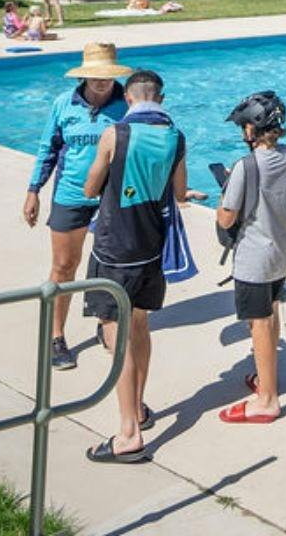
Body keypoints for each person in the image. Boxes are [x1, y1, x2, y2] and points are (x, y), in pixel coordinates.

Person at [81, 68, 204, 463]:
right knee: (139, 328)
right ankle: (138, 407)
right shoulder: (175, 137)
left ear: (129, 99)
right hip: (152, 249)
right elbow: (181, 192)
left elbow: (89, 187)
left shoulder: (115, 134)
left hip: (115, 250)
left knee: (117, 341)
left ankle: (128, 432)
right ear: (160, 100)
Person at [22, 42, 131, 372]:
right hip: (70, 196)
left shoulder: (127, 105)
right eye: (94, 76)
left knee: (112, 267)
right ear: (84, 75)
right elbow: (48, 149)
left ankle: (106, 322)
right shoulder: (63, 104)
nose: (101, 81)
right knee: (64, 266)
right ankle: (57, 335)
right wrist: (33, 190)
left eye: (106, 76)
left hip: (111, 200)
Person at [216, 91, 286, 425]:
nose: (242, 135)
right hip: (283, 251)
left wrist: (228, 191)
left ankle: (266, 400)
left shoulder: (245, 166)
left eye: (243, 128)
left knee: (259, 324)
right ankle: (268, 379)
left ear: (253, 128)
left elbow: (227, 217)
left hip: (255, 258)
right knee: (272, 312)